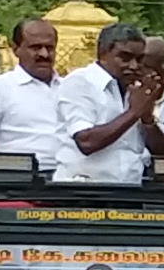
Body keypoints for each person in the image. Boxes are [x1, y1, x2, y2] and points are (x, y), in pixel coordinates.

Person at [0, 19, 85, 175]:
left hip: (72, 180)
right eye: (36, 48)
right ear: (16, 49)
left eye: (49, 48)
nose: (44, 54)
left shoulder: (71, 89)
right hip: (17, 183)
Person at [54, 23, 156, 184]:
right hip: (84, 192)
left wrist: (148, 119)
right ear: (102, 53)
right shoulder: (79, 83)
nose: (134, 66)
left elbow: (163, 153)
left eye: (139, 59)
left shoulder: (137, 90)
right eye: (125, 57)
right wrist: (133, 112)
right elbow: (86, 142)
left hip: (131, 191)